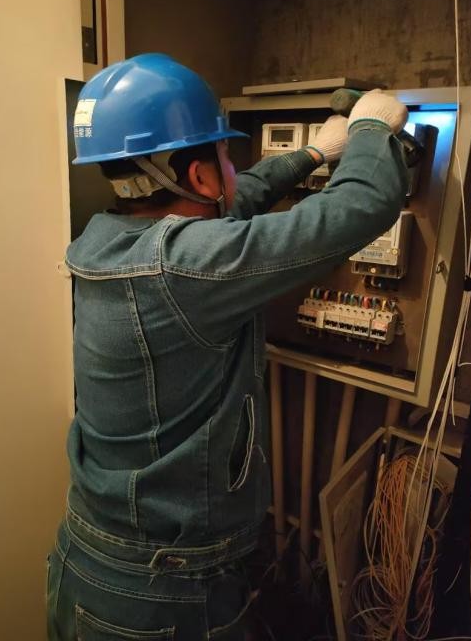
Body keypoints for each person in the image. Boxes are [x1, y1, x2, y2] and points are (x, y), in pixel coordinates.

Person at [47, 53, 408, 640]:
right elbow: (357, 208)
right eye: (224, 157)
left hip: (88, 565)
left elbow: (237, 201)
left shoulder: (105, 239)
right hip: (163, 597)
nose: (234, 170)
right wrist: (371, 127)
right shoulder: (184, 268)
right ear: (197, 177)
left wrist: (315, 154)